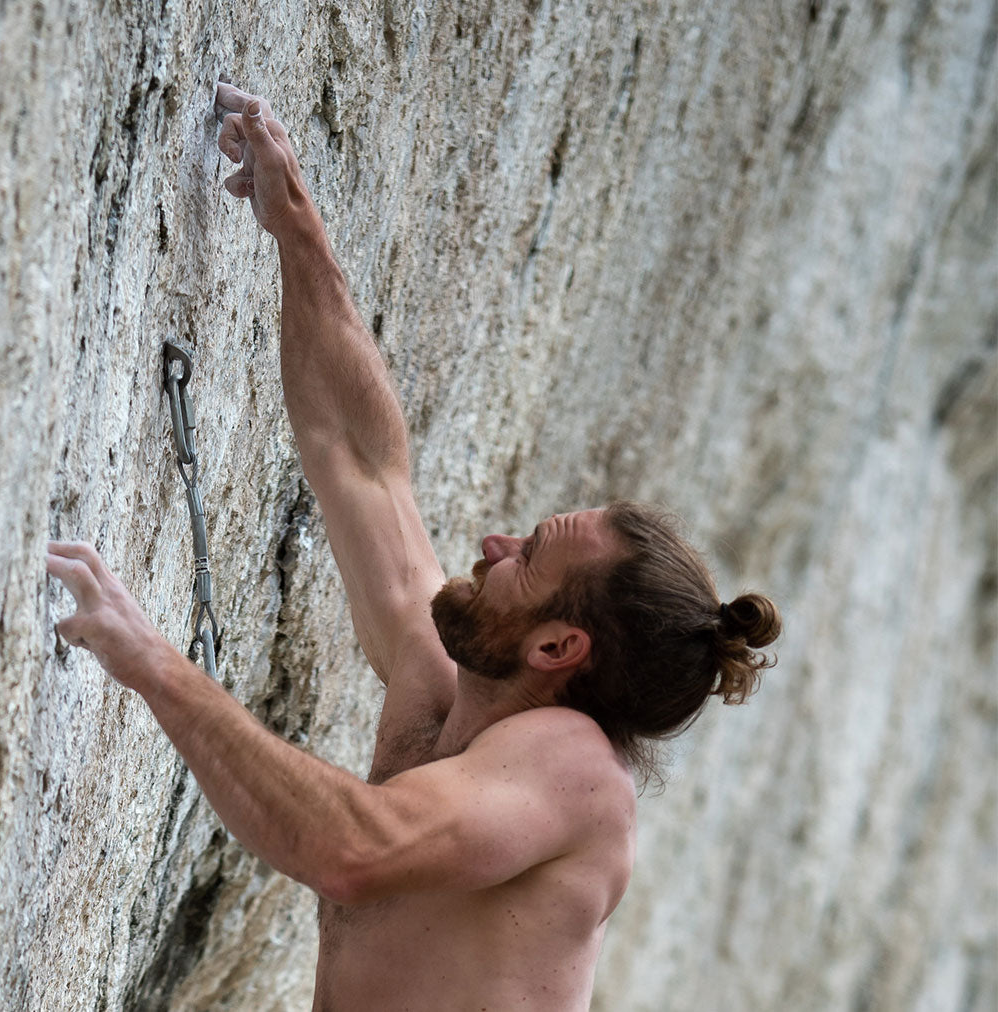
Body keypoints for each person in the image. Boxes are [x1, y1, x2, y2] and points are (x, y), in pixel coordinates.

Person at [45, 81, 781, 1012]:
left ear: (557, 650)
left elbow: (356, 850)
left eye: (528, 557)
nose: (493, 541)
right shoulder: (447, 688)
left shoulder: (576, 777)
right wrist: (298, 234)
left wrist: (151, 660)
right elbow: (363, 466)